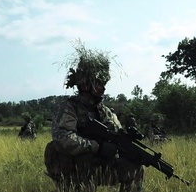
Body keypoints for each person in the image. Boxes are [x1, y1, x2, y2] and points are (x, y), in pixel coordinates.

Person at [44, 42, 144, 192]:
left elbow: (117, 133)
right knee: (82, 162)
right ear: (85, 85)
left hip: (98, 165)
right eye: (98, 83)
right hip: (73, 169)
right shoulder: (69, 108)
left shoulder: (105, 111)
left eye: (104, 83)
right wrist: (98, 146)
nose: (103, 87)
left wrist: (127, 137)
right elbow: (63, 139)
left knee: (135, 165)